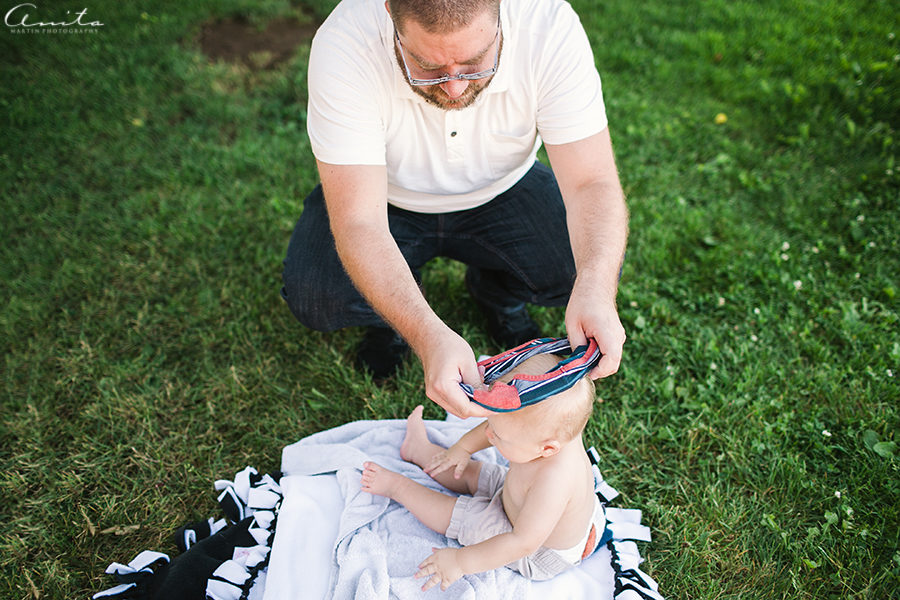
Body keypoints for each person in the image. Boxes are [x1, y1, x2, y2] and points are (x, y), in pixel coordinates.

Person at [281, 0, 628, 418]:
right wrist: (426, 335)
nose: (455, 88)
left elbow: (592, 182)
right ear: (390, 12)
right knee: (318, 296)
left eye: (475, 63)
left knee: (584, 265)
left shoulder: (548, 24)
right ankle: (388, 321)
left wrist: (595, 290)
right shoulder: (344, 43)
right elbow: (359, 222)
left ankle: (496, 293)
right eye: (427, 66)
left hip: (504, 188)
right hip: (386, 202)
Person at [360, 352, 604, 590]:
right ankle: (418, 450)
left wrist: (460, 561)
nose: (489, 434)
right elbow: (496, 426)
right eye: (492, 424)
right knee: (471, 471)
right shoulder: (550, 431)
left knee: (468, 517)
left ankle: (398, 487)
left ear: (547, 449)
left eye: (498, 436)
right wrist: (463, 448)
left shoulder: (555, 482)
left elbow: (522, 543)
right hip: (518, 499)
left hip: (534, 551)